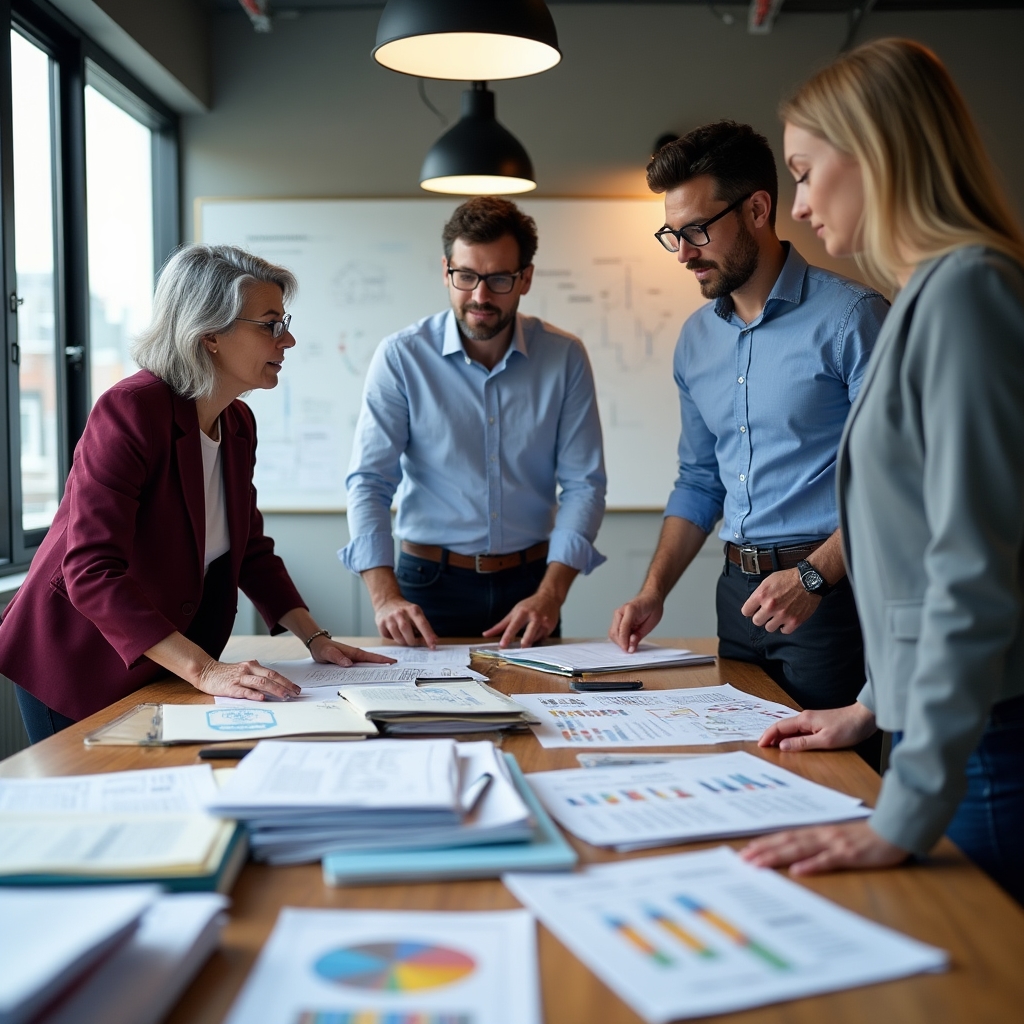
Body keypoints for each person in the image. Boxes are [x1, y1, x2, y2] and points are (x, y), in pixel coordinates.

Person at [740, 39, 1024, 905]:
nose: (798, 204)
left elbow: (970, 572)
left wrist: (903, 814)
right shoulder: (933, 296)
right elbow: (912, 554)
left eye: (805, 172)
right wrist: (869, 705)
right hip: (941, 728)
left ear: (873, 152)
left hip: (979, 750)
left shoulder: (970, 291)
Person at [0, 244, 391, 742]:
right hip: (77, 658)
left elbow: (249, 549)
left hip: (165, 657)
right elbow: (91, 570)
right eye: (269, 325)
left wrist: (316, 638)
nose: (287, 339)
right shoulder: (131, 410)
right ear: (209, 335)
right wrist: (207, 671)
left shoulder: (238, 422)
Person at [609, 121, 889, 716]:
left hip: (832, 592)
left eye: (697, 232)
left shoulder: (853, 318)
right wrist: (653, 590)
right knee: (747, 765)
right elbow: (699, 480)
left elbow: (894, 477)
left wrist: (813, 578)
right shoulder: (694, 341)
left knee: (838, 786)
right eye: (672, 235)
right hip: (737, 594)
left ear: (758, 209)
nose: (683, 254)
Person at [340, 197, 606, 648]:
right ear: (446, 271)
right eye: (466, 276)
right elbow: (369, 480)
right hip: (425, 585)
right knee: (426, 718)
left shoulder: (565, 357)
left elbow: (584, 485)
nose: (480, 296)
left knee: (538, 714)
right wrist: (384, 596)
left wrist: (551, 595)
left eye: (499, 279)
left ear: (525, 278)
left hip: (532, 587)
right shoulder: (402, 356)